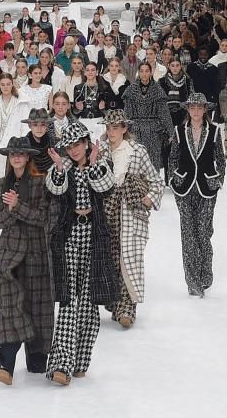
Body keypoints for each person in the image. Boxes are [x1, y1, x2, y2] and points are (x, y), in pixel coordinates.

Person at [44, 120, 117, 385]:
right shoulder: (61, 168)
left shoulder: (101, 164)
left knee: (88, 302)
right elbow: (54, 189)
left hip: (95, 239)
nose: (74, 150)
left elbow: (106, 188)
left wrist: (96, 163)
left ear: (86, 144)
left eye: (77, 145)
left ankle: (80, 360)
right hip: (69, 237)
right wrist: (61, 168)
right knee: (68, 300)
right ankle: (61, 364)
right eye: (69, 147)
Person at [0, 137, 53, 385]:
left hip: (36, 253)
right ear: (9, 157)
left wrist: (16, 207)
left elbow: (43, 218)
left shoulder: (40, 183)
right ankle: (6, 361)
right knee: (8, 307)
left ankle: (35, 353)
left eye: (21, 154)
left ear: (27, 157)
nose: (16, 157)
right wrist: (12, 210)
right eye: (12, 154)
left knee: (36, 308)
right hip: (9, 255)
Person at [98, 110, 164, 327]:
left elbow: (156, 180)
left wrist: (147, 199)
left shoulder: (137, 151)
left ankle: (128, 308)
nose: (111, 132)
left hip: (131, 211)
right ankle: (116, 305)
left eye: (115, 127)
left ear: (124, 129)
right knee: (111, 258)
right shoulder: (100, 151)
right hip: (107, 209)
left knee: (130, 257)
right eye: (108, 128)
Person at [168, 93, 226, 298]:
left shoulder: (215, 131)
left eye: (199, 107)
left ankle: (205, 274)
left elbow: (220, 158)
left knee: (203, 231)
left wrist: (218, 180)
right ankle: (192, 282)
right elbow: (173, 157)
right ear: (187, 110)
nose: (195, 111)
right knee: (188, 234)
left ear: (205, 110)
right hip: (183, 187)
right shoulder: (178, 131)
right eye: (192, 107)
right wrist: (172, 180)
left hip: (207, 187)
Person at [123, 62, 174, 171]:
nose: (144, 74)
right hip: (136, 130)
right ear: (138, 72)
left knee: (153, 161)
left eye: (147, 71)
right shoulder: (131, 90)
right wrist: (125, 131)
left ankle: (154, 186)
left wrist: (170, 132)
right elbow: (127, 113)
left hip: (154, 131)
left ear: (151, 73)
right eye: (142, 71)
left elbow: (164, 113)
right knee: (136, 161)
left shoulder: (157, 89)